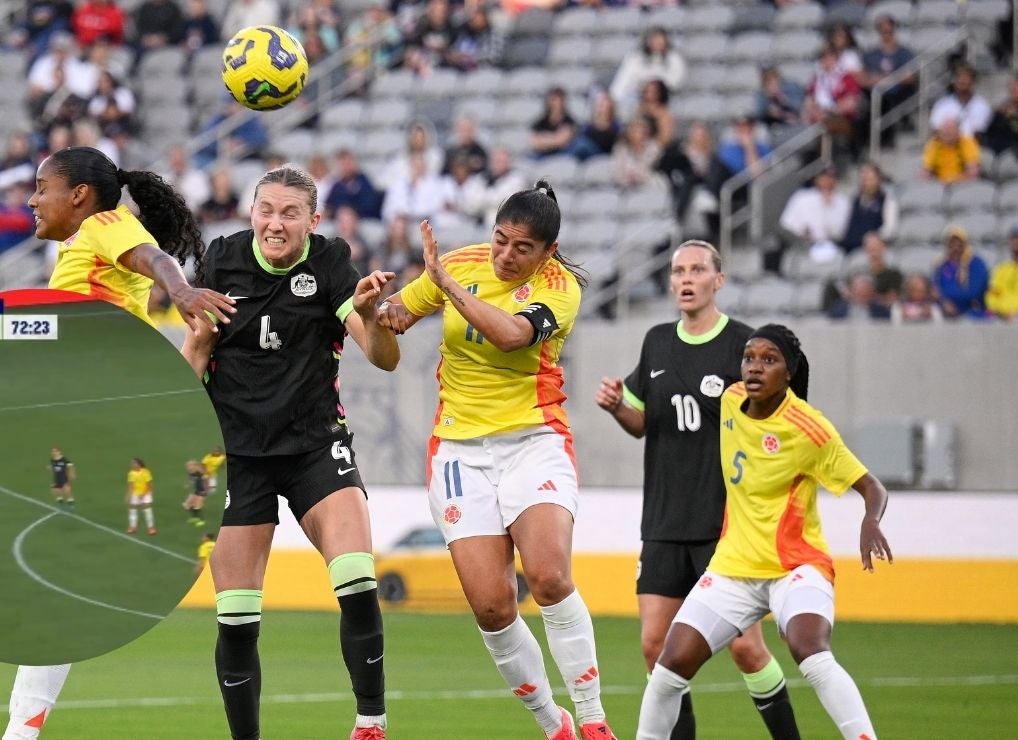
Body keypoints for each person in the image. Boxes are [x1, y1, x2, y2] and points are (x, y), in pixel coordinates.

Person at [0, 145, 236, 740]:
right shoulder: (78, 258)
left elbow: (153, 257)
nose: (31, 200)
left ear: (79, 195)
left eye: (41, 187)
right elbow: (27, 325)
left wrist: (182, 290)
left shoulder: (106, 225)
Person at [376, 183, 614, 740]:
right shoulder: (459, 264)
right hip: (459, 450)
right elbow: (395, 319)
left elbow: (510, 336)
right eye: (500, 240)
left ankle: (593, 717)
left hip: (534, 440)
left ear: (547, 252)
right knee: (490, 606)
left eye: (521, 248)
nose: (506, 255)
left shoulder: (560, 289)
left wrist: (446, 287)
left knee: (551, 578)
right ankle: (553, 724)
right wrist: (369, 304)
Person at [180, 164, 400, 740]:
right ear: (251, 211)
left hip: (314, 446)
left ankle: (371, 722)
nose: (275, 224)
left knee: (357, 579)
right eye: (266, 210)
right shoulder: (220, 261)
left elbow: (382, 356)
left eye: (290, 213)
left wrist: (373, 314)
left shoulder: (330, 263)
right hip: (237, 456)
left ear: (313, 220)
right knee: (237, 619)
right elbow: (194, 358)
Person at [636, 324, 892, 740]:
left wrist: (870, 520)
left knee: (810, 652)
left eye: (768, 360)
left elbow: (871, 486)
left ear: (788, 372)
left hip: (795, 568)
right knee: (668, 667)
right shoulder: (732, 399)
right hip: (734, 568)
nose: (754, 368)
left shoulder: (809, 429)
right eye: (749, 358)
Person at [595, 241, 801, 740]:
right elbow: (644, 421)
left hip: (724, 527)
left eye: (697, 270)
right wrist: (618, 407)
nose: (686, 279)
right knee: (655, 646)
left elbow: (778, 423)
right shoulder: (657, 341)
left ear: (718, 280)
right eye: (678, 271)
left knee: (746, 648)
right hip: (664, 522)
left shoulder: (746, 347)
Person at [932, 225, 990, 319]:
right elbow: (935, 289)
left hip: (973, 313)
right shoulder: (941, 265)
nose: (956, 247)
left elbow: (974, 291)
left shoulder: (975, 263)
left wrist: (950, 300)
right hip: (946, 314)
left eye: (959, 243)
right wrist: (943, 302)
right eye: (952, 243)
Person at [840, 162, 897, 254]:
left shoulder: (887, 200)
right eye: (864, 179)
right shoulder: (854, 201)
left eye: (870, 179)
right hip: (850, 248)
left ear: (878, 180)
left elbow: (889, 229)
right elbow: (844, 227)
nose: (867, 183)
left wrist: (876, 237)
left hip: (872, 249)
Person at [985, 224, 1018, 320]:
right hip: (1002, 317)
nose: (1017, 242)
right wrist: (999, 310)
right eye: (1014, 239)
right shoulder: (1002, 268)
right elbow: (992, 294)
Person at [921, 119, 981, 184]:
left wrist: (951, 181)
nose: (946, 133)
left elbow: (973, 173)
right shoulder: (933, 144)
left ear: (958, 132)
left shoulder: (967, 142)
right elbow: (925, 172)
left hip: (964, 184)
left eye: (950, 130)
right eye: (944, 131)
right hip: (939, 186)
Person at [125, 457, 155, 535]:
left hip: (146, 493)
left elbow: (149, 485)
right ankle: (132, 527)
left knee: (147, 509)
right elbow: (131, 486)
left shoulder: (146, 472)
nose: (132, 465)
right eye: (131, 463)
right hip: (135, 493)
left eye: (133, 463)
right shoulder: (131, 473)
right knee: (133, 509)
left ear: (138, 464)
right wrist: (129, 496)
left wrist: (143, 494)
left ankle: (151, 528)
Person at [182, 459, 208, 526]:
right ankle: (195, 518)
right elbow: (190, 479)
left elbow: (205, 480)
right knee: (188, 505)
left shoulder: (200, 473)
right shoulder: (190, 473)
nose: (188, 467)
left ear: (194, 466)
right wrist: (187, 485)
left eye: (189, 466)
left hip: (202, 491)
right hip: (196, 491)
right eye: (187, 466)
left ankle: (202, 520)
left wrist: (206, 489)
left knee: (198, 506)